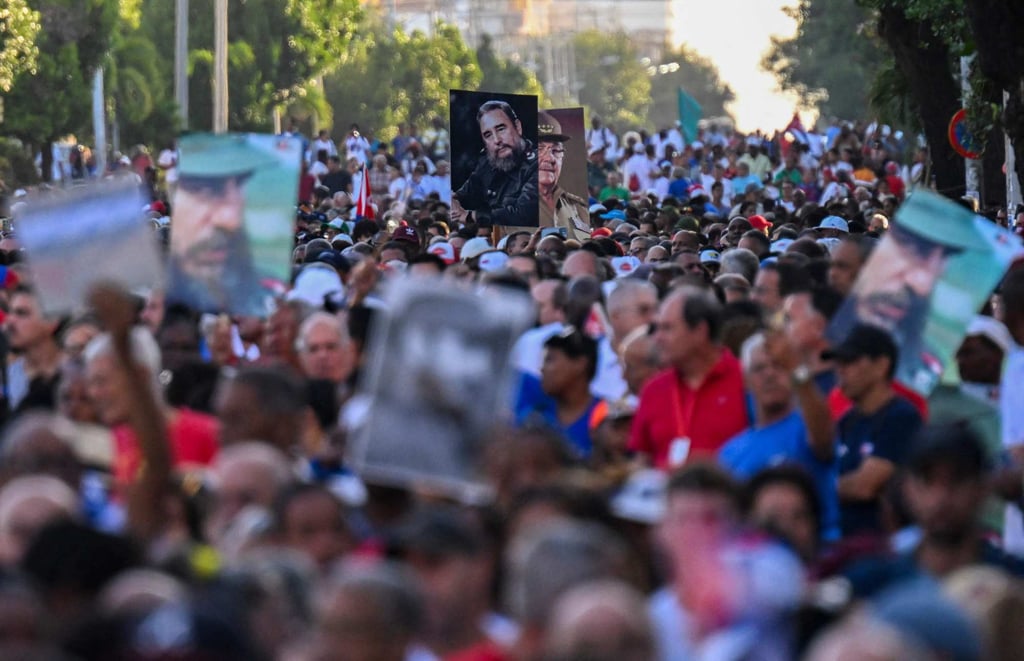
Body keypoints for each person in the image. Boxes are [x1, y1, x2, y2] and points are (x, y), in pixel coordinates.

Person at [829, 217, 988, 393]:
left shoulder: (929, 355)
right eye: (915, 254)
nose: (921, 282)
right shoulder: (821, 326)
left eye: (938, 266)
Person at [629, 286, 749, 469]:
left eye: (667, 328)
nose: (657, 338)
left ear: (700, 331)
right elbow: (643, 462)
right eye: (657, 328)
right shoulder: (653, 390)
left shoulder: (747, 382)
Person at [824, 324, 923, 536]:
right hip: (841, 544)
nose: (840, 369)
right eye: (838, 362)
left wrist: (818, 488)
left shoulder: (902, 418)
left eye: (849, 361)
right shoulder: (846, 422)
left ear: (881, 366)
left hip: (881, 549)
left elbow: (864, 486)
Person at [167, 135, 282, 315]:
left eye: (240, 186)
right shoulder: (149, 304)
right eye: (205, 190)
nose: (232, 220)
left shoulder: (271, 296)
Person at [452, 100, 539, 228]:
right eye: (488, 135)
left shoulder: (539, 163)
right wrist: (451, 200)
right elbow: (463, 194)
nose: (497, 140)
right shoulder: (487, 164)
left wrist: (471, 216)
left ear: (518, 127)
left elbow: (521, 215)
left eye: (501, 129)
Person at [537, 111, 590, 241]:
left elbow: (585, 245)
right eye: (539, 149)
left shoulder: (578, 208)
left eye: (556, 150)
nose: (549, 158)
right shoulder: (507, 210)